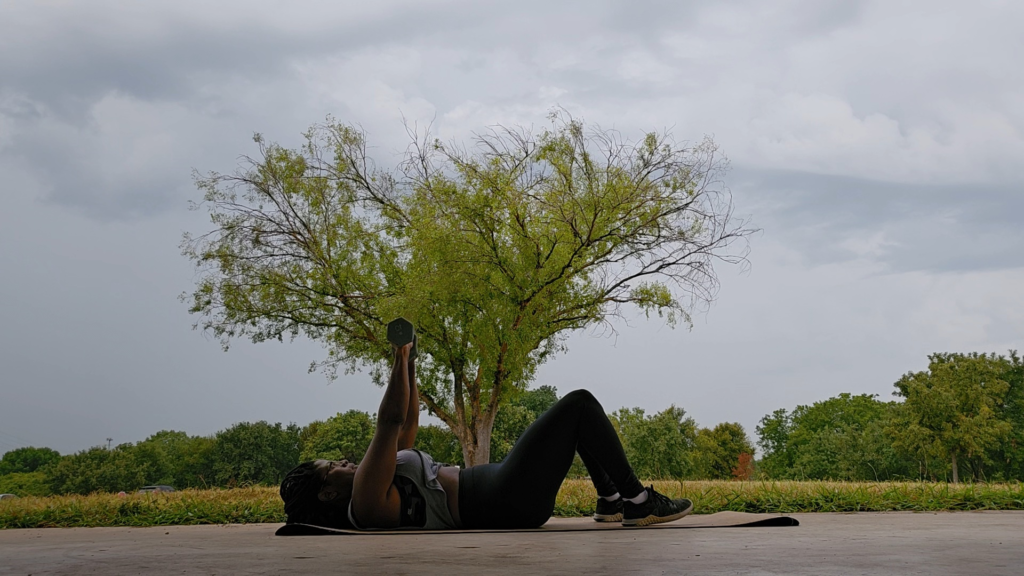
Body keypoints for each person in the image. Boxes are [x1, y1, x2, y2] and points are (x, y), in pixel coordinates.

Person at [280, 341, 692, 530]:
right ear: (327, 493)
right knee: (578, 405)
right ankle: (637, 501)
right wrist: (397, 357)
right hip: (502, 500)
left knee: (571, 421)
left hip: (499, 489)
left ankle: (611, 501)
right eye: (332, 467)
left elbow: (404, 428)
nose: (344, 463)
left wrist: (411, 365)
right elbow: (387, 424)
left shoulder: (375, 486)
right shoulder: (366, 502)